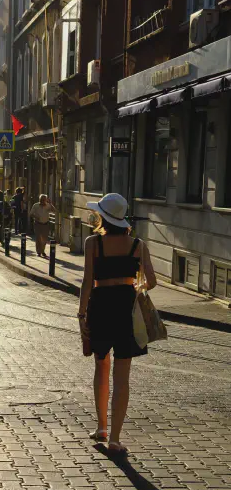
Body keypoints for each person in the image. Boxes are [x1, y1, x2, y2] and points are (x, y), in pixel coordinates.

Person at [78, 193, 157, 456]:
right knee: (123, 375)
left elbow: (87, 283)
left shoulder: (93, 243)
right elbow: (152, 281)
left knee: (102, 365)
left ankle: (101, 426)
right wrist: (136, 287)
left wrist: (81, 316)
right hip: (126, 306)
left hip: (100, 305)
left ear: (103, 217)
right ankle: (114, 438)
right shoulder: (138, 245)